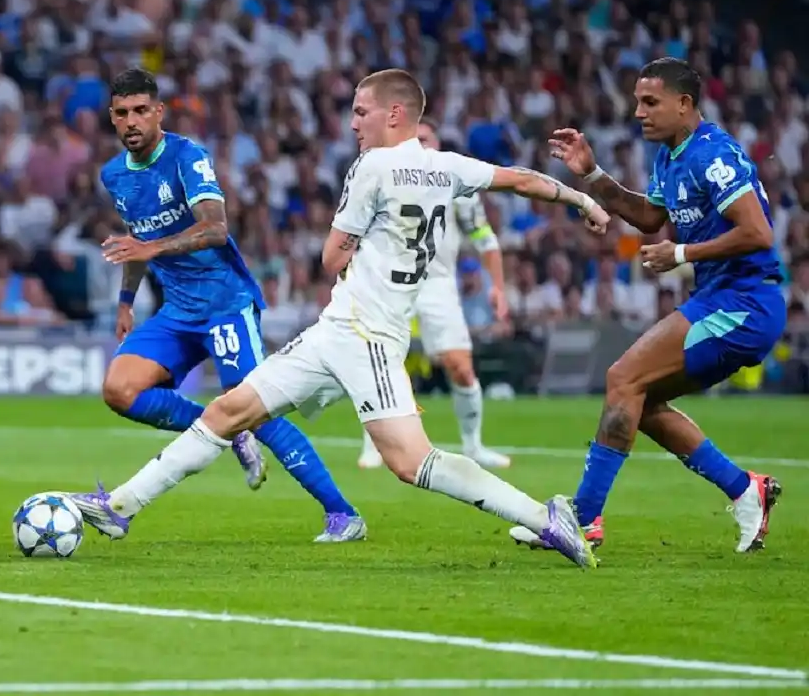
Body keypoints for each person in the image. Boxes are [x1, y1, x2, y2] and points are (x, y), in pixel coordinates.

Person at [71, 69, 608, 567]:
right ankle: (119, 507)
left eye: (361, 112)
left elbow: (331, 257)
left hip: (367, 336)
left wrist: (359, 248)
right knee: (228, 412)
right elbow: (521, 180)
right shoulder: (448, 166)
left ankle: (545, 517)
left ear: (395, 114)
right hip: (338, 329)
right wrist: (583, 202)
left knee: (410, 462)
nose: (353, 123)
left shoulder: (373, 165)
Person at [512, 57, 783, 553]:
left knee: (622, 378)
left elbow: (758, 233)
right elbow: (648, 217)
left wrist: (682, 254)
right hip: (724, 299)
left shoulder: (711, 154)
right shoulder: (672, 155)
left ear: (685, 105)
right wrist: (591, 173)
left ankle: (584, 518)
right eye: (637, 101)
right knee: (639, 399)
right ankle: (747, 491)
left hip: (745, 302)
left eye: (650, 102)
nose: (638, 112)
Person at [95, 68, 365, 542]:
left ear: (159, 112)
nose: (132, 121)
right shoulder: (114, 175)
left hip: (225, 304)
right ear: (112, 119)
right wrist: (125, 301)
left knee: (259, 407)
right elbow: (137, 241)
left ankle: (343, 514)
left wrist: (150, 250)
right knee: (119, 390)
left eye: (141, 110)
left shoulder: (186, 157)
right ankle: (228, 432)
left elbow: (215, 229)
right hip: (178, 311)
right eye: (122, 113)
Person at [358, 117, 511, 471]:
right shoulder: (386, 183)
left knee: (460, 367)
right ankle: (374, 446)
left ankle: (474, 446)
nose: (421, 146)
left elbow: (485, 240)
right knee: (384, 365)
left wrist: (498, 287)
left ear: (438, 145)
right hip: (393, 286)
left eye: (426, 139)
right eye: (415, 140)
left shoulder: (457, 189)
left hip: (439, 287)